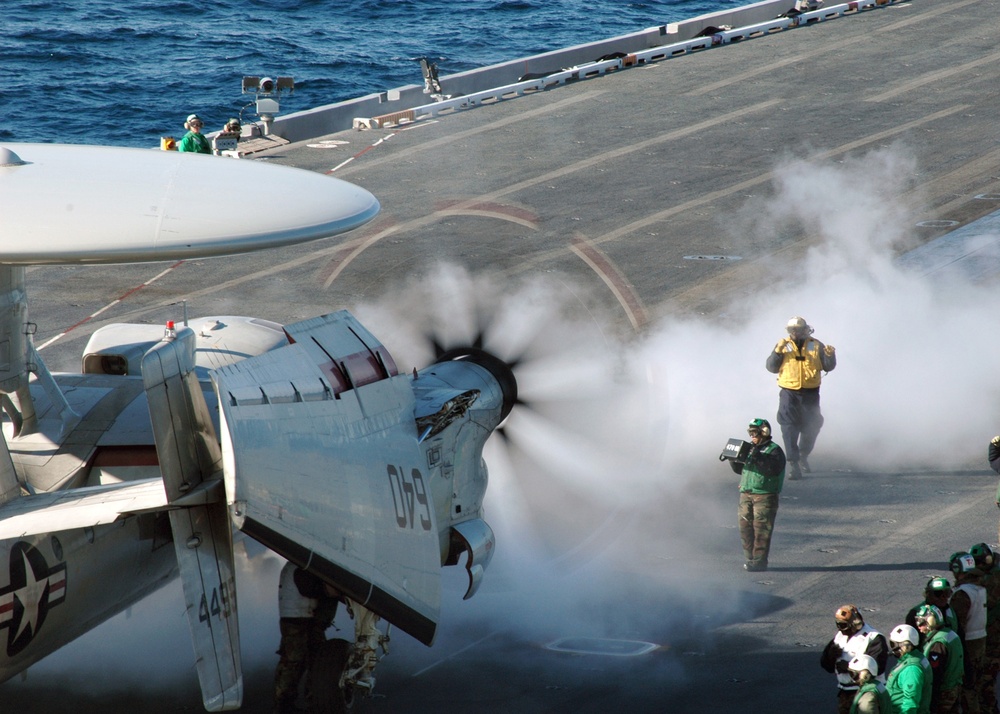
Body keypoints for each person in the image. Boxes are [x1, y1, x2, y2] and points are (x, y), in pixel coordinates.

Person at [765, 316, 836, 480]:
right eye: (792, 330)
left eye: (799, 329)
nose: (795, 333)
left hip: (810, 393)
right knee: (789, 426)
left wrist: (830, 356)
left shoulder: (816, 345)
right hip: (789, 393)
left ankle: (803, 454)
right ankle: (793, 464)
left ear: (806, 329)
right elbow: (771, 367)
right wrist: (777, 352)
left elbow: (828, 366)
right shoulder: (783, 346)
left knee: (813, 424)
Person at [274, 561, 341, 714]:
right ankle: (285, 705)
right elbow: (310, 588)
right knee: (295, 661)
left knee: (310, 660)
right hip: (298, 618)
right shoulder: (301, 565)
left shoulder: (297, 564)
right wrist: (332, 589)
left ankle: (291, 703)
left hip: (300, 617)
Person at [726, 417, 786, 572]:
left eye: (755, 432)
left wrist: (756, 455)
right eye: (750, 432)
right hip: (746, 494)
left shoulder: (774, 450)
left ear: (764, 432)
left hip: (765, 496)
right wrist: (733, 458)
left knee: (761, 530)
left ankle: (759, 562)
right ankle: (750, 560)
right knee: (745, 528)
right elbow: (741, 470)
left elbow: (772, 469)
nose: (752, 435)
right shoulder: (751, 448)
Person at [821, 604, 889, 714]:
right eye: (838, 624)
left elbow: (877, 668)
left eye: (843, 625)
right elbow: (826, 665)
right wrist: (830, 655)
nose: (840, 629)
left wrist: (848, 668)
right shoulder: (840, 636)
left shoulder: (873, 638)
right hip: (845, 693)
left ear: (855, 624)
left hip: (867, 693)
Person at [950, 551, 988, 714]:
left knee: (967, 687)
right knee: (979, 684)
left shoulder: (962, 593)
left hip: (968, 643)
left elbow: (958, 624)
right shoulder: (980, 588)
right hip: (981, 640)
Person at [915, 603, 964, 714]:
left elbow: (935, 673)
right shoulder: (949, 633)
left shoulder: (938, 644)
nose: (919, 627)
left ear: (930, 622)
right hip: (954, 686)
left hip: (943, 692)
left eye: (921, 623)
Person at [969, 543, 1000, 714]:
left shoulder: (994, 578)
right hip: (990, 635)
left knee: (985, 682)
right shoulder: (992, 572)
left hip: (993, 638)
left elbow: (990, 605)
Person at [886, 624, 932, 714]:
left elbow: (910, 704)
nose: (893, 648)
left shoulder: (911, 670)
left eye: (894, 644)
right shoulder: (918, 657)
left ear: (905, 646)